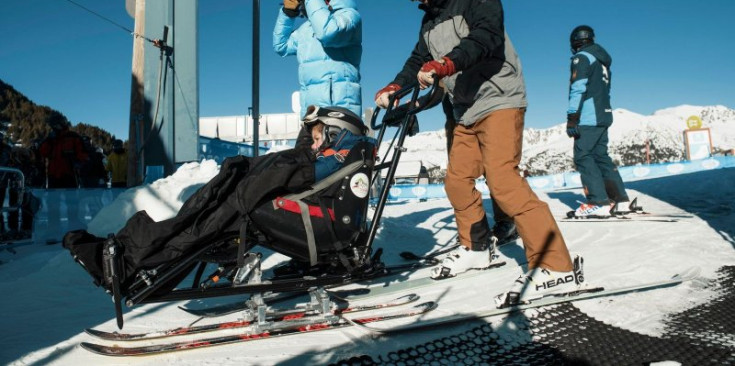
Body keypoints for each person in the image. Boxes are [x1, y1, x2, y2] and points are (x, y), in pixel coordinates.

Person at [374, 0, 581, 303]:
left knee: (503, 181)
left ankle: (557, 266)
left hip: (499, 98)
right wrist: (395, 86)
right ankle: (477, 248)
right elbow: (417, 60)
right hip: (466, 109)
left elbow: (487, 35)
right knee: (456, 180)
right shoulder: (429, 21)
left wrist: (446, 63)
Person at [64, 106, 376, 292]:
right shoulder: (333, 157)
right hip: (314, 224)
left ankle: (129, 263)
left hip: (323, 232)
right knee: (204, 217)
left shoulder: (343, 155)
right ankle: (131, 259)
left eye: (320, 137)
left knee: (218, 216)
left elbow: (305, 177)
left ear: (338, 133)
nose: (314, 144)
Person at [273, 0, 362, 148]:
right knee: (300, 167)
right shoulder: (305, 30)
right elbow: (280, 46)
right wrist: (288, 13)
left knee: (337, 168)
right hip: (312, 117)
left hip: (340, 115)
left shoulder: (349, 16)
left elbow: (327, 32)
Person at [566, 25, 631, 217]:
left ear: (576, 42)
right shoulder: (602, 61)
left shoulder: (582, 57)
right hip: (604, 114)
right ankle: (620, 200)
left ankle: (598, 202)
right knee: (601, 156)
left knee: (583, 156)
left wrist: (572, 117)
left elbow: (578, 87)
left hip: (588, 116)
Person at [442, 96, 518, 245]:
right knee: (458, 178)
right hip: (455, 122)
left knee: (497, 173)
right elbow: (436, 88)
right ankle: (474, 231)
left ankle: (508, 221)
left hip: (486, 115)